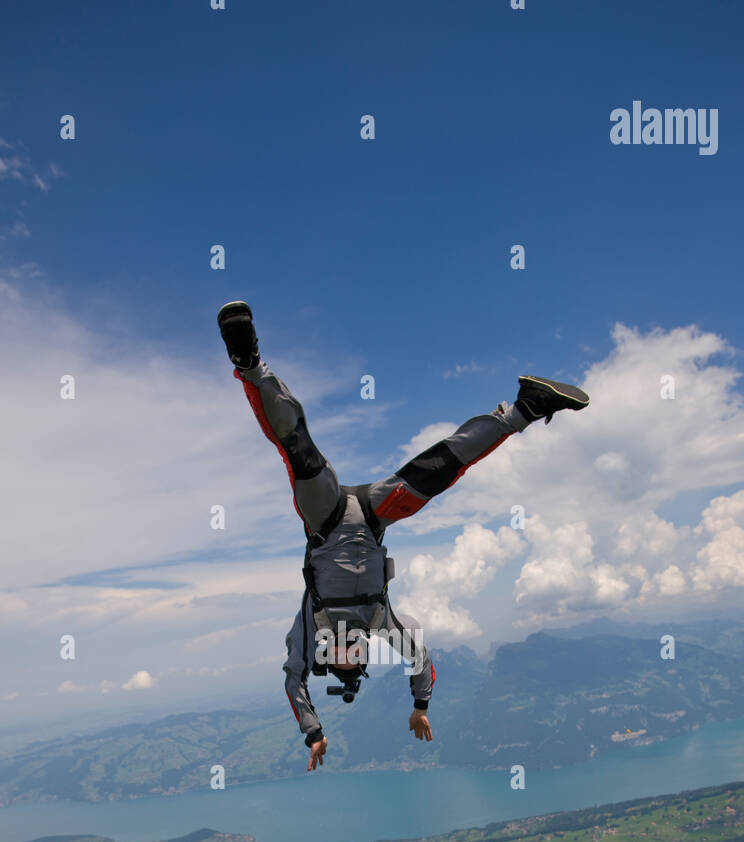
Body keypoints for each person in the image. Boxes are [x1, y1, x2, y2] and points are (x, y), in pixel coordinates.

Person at [218, 302, 589, 772]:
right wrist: (421, 705)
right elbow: (419, 654)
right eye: (357, 660)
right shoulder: (380, 624)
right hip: (372, 518)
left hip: (325, 519)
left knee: (300, 452)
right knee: (439, 468)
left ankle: (249, 365)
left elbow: (294, 681)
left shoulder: (310, 632)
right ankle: (525, 408)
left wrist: (312, 732)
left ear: (329, 658)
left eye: (341, 659)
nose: (349, 654)